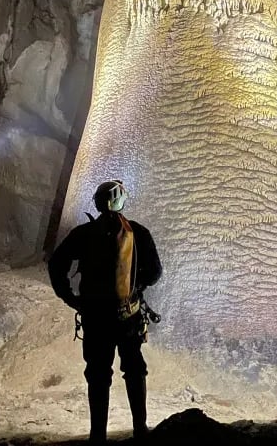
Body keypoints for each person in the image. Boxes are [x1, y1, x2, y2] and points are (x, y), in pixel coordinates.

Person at [48, 180, 162, 444]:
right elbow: (155, 272)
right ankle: (140, 428)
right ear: (122, 202)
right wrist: (137, 287)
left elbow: (57, 264)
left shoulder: (83, 234)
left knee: (98, 373)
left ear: (98, 203)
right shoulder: (138, 232)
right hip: (128, 316)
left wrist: (71, 298)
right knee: (134, 369)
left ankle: (97, 434)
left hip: (95, 317)